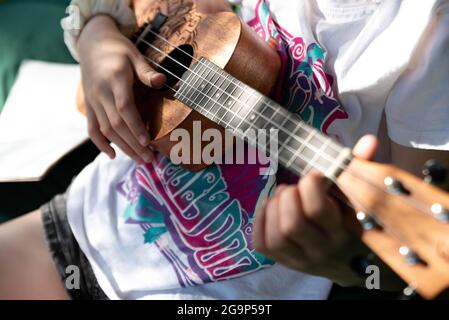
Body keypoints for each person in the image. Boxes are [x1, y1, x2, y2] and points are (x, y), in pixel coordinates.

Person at [0, 0, 448, 300]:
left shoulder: (429, 31)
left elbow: (409, 257)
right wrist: (96, 34)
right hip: (89, 218)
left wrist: (350, 264)